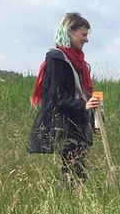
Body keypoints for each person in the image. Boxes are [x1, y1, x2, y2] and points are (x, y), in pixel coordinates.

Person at [28, 12, 101, 188]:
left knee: (78, 174)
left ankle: (70, 205)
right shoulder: (56, 59)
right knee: (72, 175)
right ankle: (58, 202)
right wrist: (83, 105)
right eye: (83, 35)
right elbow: (55, 96)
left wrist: (93, 119)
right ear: (70, 32)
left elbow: (82, 93)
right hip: (65, 125)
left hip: (79, 124)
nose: (86, 40)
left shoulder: (80, 62)